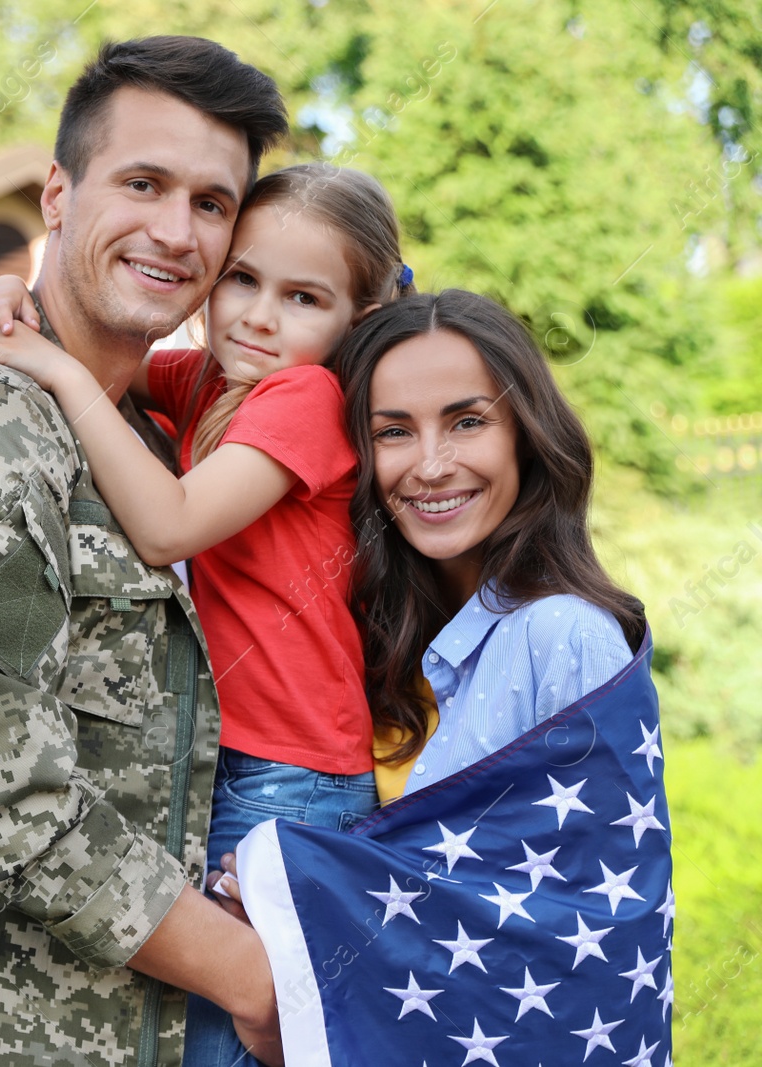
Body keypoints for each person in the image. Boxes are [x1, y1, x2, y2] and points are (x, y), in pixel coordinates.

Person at [0, 36, 291, 1067]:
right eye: (142, 183)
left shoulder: (147, 438)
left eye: (212, 203)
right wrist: (251, 972)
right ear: (58, 191)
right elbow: (7, 792)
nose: (175, 232)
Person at [0, 163, 414, 1066]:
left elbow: (171, 524)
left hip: (291, 781)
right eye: (242, 278)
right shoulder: (214, 381)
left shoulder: (306, 399)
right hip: (233, 763)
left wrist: (49, 369)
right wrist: (10, 291)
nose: (259, 317)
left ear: (358, 319)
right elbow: (88, 344)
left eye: (303, 297)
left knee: (228, 1035)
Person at [220, 290, 665, 1064]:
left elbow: (582, 946)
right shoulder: (383, 645)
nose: (430, 465)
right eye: (394, 431)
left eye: (467, 421)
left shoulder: (561, 636)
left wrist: (294, 935)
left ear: (527, 433)